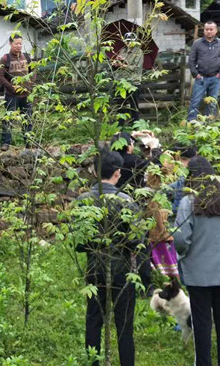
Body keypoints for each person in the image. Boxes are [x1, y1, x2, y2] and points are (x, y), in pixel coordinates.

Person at [173, 156, 220, 366]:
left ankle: (203, 362)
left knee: (202, 323)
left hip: (198, 274)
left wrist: (185, 254)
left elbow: (180, 237)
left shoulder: (189, 202)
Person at [76, 150, 140, 366]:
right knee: (124, 326)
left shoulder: (83, 201)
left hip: (94, 266)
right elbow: (136, 240)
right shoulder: (126, 201)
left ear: (95, 171)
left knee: (94, 320)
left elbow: (78, 244)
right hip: (122, 267)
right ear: (118, 173)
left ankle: (93, 362)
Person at [0, 33, 33, 151]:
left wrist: (30, 85)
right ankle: (6, 143)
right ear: (10, 44)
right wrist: (11, 87)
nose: (19, 46)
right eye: (16, 43)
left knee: (28, 118)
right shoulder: (5, 58)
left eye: (20, 43)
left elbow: (33, 72)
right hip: (11, 95)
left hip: (26, 94)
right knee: (8, 119)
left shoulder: (27, 57)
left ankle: (29, 142)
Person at [187, 21, 220, 121]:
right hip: (201, 78)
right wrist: (196, 74)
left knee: (212, 102)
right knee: (195, 101)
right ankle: (191, 122)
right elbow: (191, 60)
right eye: (206, 29)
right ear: (204, 31)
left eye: (211, 29)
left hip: (215, 78)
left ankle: (208, 123)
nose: (209, 31)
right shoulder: (197, 43)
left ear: (216, 31)